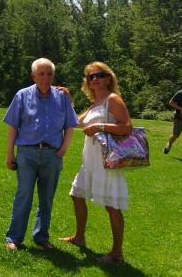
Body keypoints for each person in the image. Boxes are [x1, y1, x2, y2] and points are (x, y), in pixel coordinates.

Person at [59, 62, 133, 263]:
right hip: (90, 161)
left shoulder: (113, 99)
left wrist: (100, 126)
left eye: (99, 75)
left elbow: (127, 127)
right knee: (76, 194)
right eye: (90, 76)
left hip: (107, 162)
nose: (94, 79)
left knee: (111, 205)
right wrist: (68, 100)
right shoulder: (96, 103)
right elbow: (76, 122)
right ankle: (79, 237)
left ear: (108, 78)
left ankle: (117, 253)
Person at [3, 58, 79, 251]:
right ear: (34, 76)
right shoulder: (22, 95)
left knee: (47, 198)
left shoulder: (62, 97)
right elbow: (13, 127)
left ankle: (41, 236)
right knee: (23, 195)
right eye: (41, 74)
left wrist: (63, 149)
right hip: (27, 153)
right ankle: (14, 238)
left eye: (49, 74)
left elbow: (70, 125)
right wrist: (9, 154)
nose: (45, 78)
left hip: (52, 155)